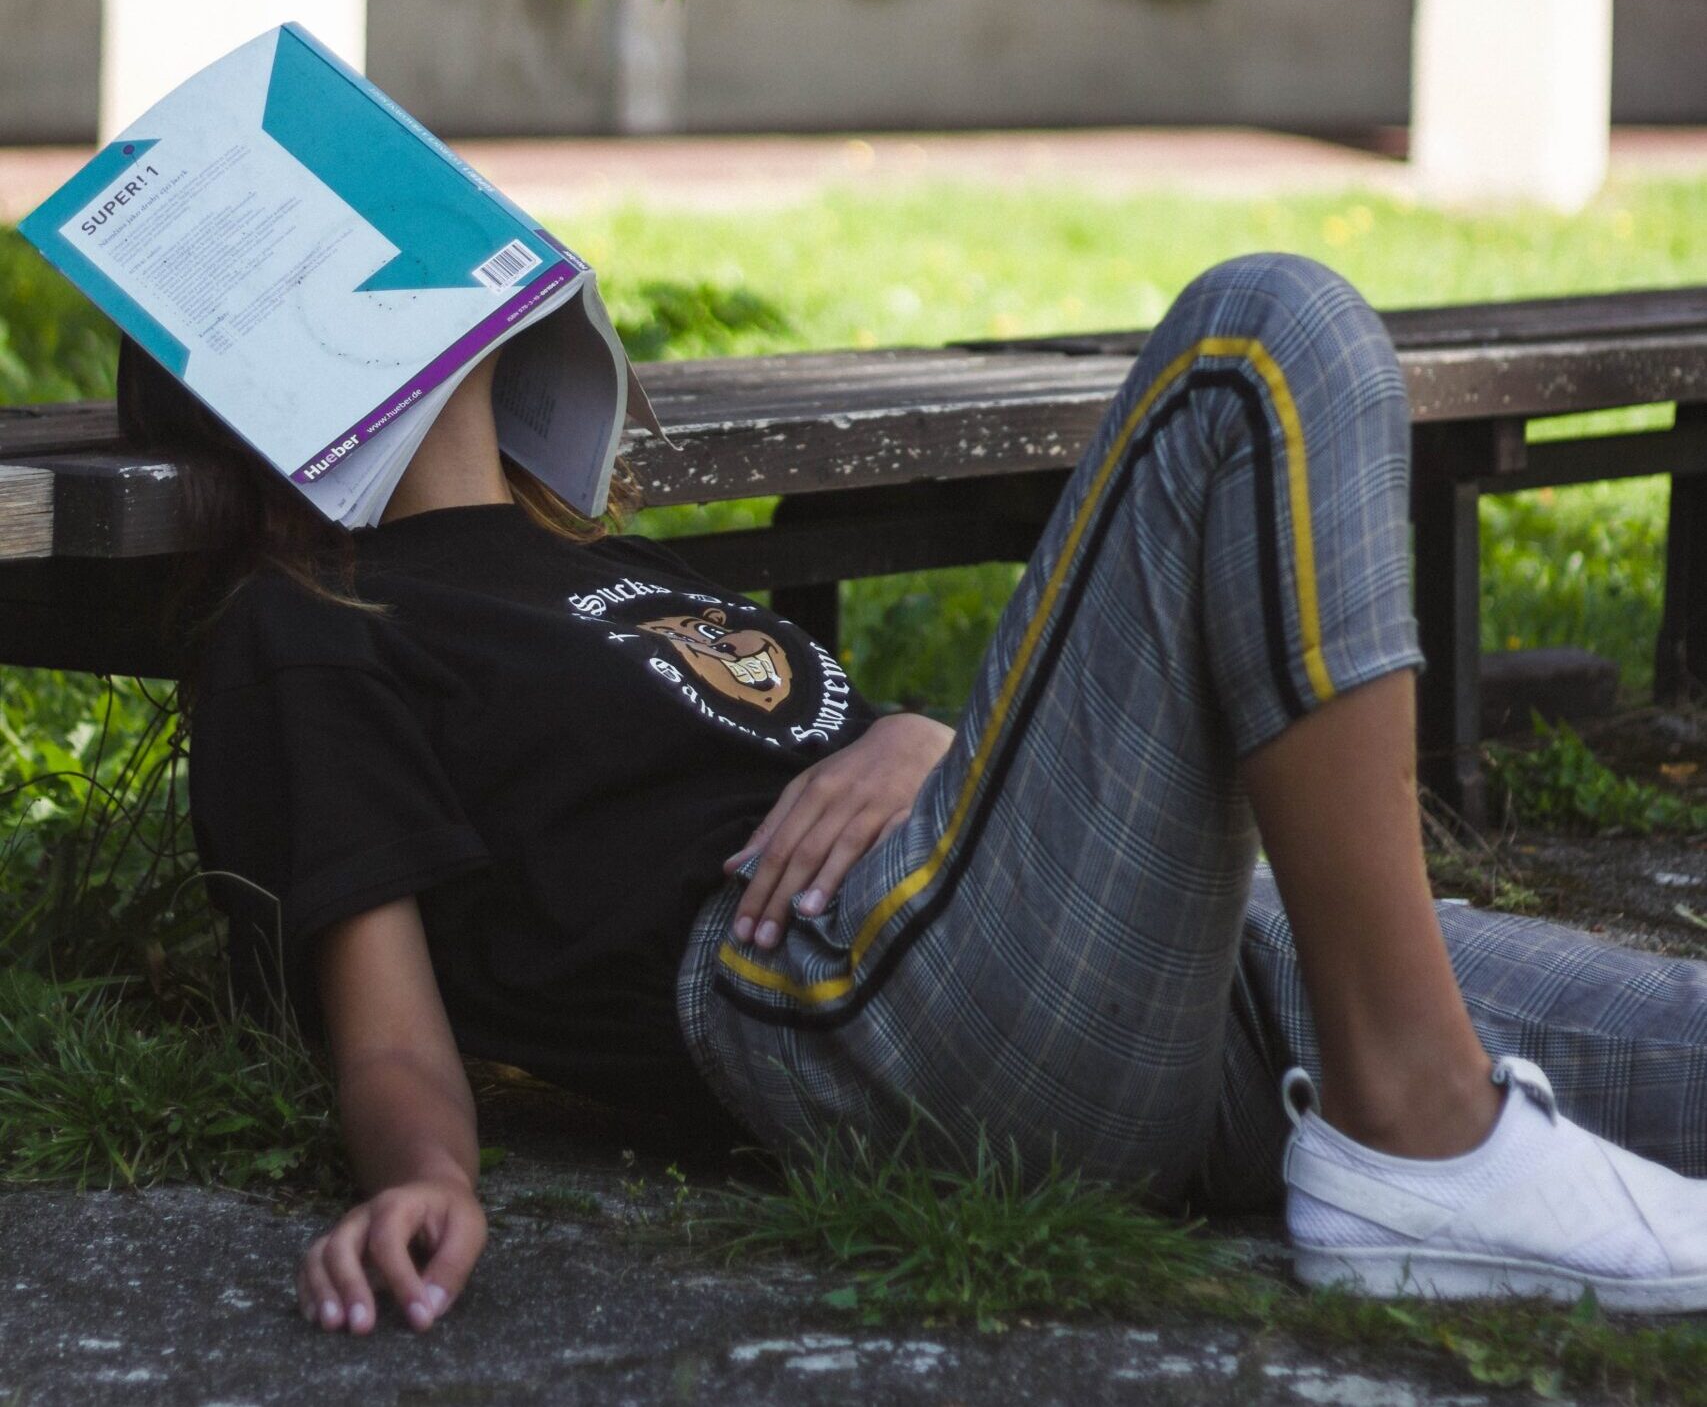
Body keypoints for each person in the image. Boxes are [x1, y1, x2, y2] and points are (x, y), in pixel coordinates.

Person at [135, 254, 1707, 1338]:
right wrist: (425, 1181)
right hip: (869, 1008)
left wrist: (923, 735)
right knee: (1263, 337)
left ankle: (1406, 1114)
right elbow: (396, 1027)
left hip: (1131, 958)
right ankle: (1419, 1132)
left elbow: (830, 756)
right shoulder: (315, 624)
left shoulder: (602, 569)